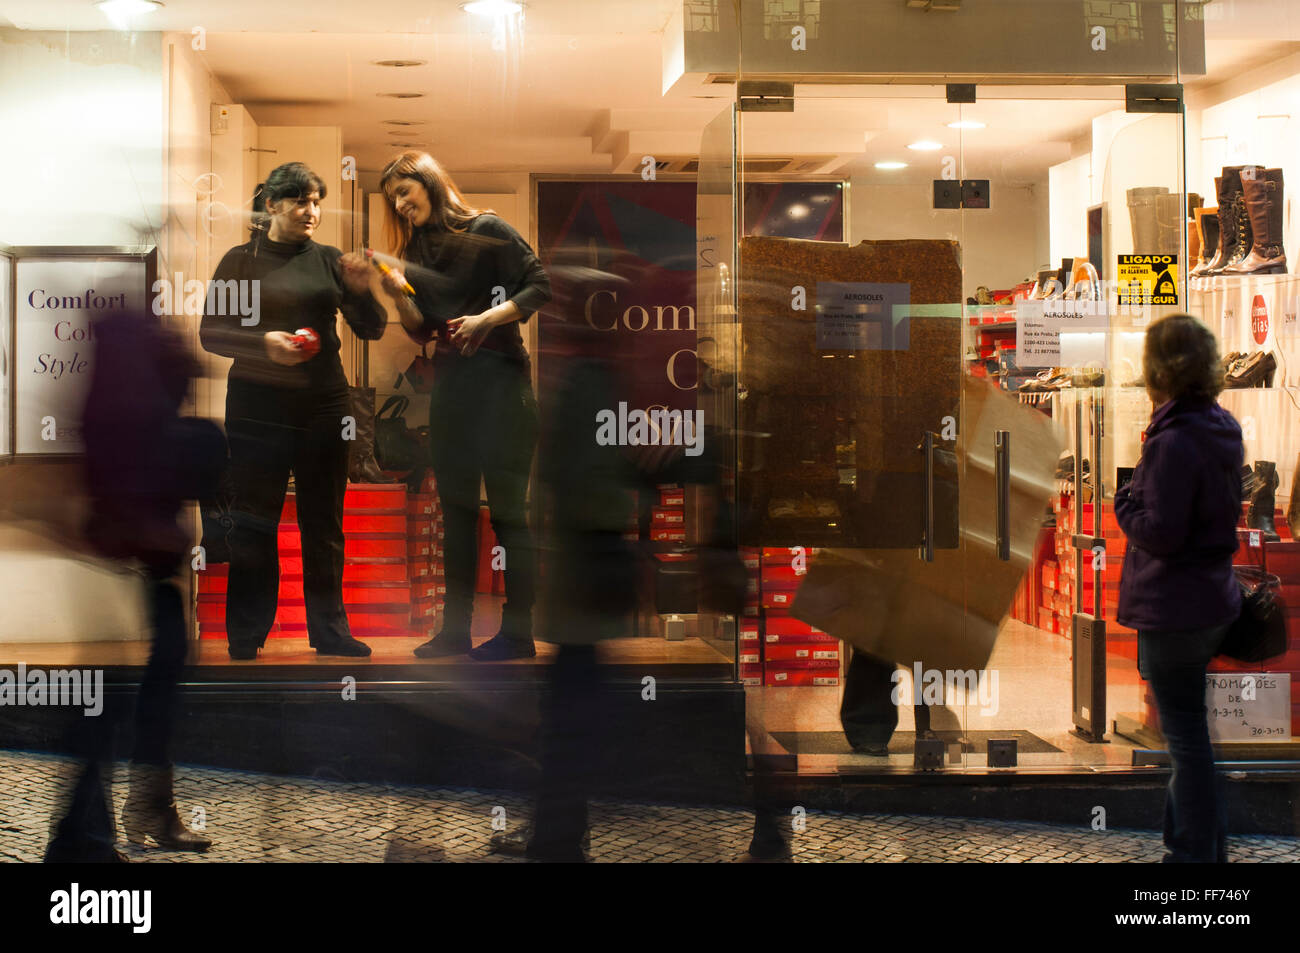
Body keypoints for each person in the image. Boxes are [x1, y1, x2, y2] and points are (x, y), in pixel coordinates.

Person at [47, 307, 224, 860]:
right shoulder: (134, 394)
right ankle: (85, 835)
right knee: (120, 699)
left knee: (137, 695)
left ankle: (127, 816)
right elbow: (173, 464)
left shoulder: (120, 386)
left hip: (136, 563)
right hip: (132, 566)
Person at [200, 161, 393, 660]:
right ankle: (245, 634)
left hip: (324, 403)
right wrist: (263, 343)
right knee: (253, 520)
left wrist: (359, 287)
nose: (313, 211)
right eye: (302, 201)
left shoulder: (330, 260)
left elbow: (371, 328)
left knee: (324, 520)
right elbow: (211, 332)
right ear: (272, 205)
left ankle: (329, 631)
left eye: (317, 201)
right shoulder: (240, 260)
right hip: (256, 404)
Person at [377, 151, 551, 661]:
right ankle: (454, 632)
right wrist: (398, 294)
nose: (401, 205)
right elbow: (421, 329)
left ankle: (518, 636)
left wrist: (485, 320)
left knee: (508, 515)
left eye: (404, 192)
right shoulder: (419, 248)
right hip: (453, 390)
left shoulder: (489, 228)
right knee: (454, 513)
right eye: (393, 200)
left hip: (503, 388)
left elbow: (539, 285)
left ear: (428, 182)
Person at [1115, 311, 1243, 863]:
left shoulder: (1172, 441)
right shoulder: (1221, 426)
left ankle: (1192, 856)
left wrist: (1124, 503)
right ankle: (1201, 846)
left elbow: (1161, 533)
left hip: (1175, 604)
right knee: (1192, 735)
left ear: (1158, 370)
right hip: (1213, 598)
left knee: (1186, 740)